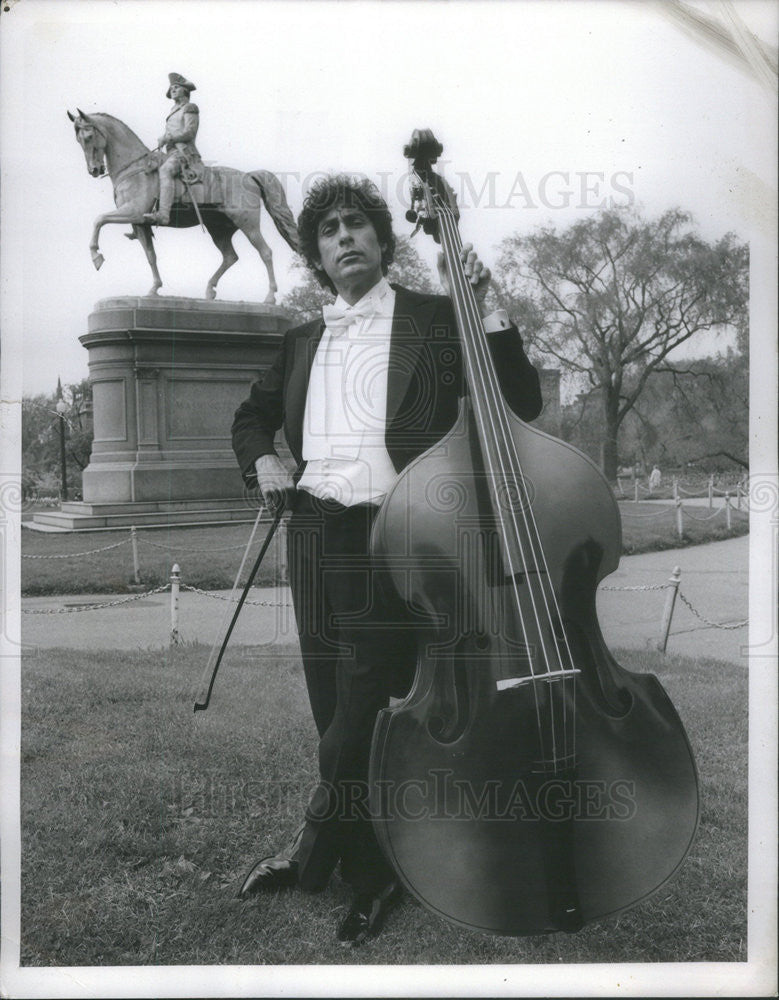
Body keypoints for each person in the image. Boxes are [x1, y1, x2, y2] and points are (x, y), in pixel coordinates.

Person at [231, 175, 543, 944]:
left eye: (356, 224)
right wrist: (264, 464)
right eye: (328, 230)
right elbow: (251, 416)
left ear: (380, 237)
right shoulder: (303, 338)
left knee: (364, 706)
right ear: (315, 255)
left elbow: (520, 400)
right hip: (313, 534)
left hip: (394, 534)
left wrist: (487, 308)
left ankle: (337, 860)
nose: (343, 237)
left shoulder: (436, 320)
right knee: (334, 703)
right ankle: (362, 855)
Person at [144, 72, 201, 225]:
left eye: (177, 87)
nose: (173, 90)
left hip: (184, 152)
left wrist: (169, 138)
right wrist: (163, 138)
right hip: (170, 152)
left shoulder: (190, 107)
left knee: (165, 171)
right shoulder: (173, 110)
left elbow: (189, 132)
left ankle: (163, 215)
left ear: (185, 90)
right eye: (172, 88)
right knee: (147, 168)